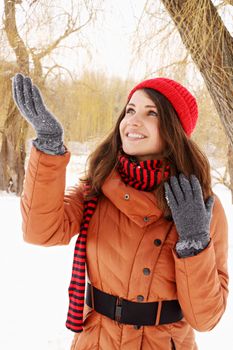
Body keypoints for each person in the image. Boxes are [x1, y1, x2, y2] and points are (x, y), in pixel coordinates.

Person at [12, 73, 228, 350]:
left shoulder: (201, 207)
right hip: (96, 342)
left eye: (152, 113)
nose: (133, 121)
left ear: (175, 128)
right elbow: (40, 231)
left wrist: (194, 243)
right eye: (130, 110)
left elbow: (206, 317)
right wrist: (49, 145)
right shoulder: (98, 188)